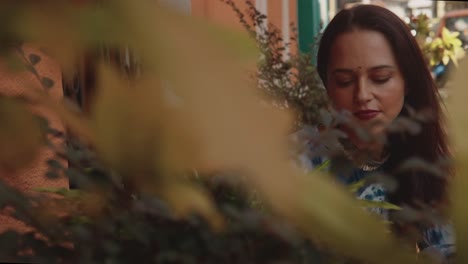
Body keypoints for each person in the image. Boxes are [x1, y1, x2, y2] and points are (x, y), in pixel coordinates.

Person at [298, 4, 455, 261]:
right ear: (327, 84)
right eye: (345, 81)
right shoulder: (294, 162)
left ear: (408, 81)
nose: (362, 95)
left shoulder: (428, 161)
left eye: (380, 78)